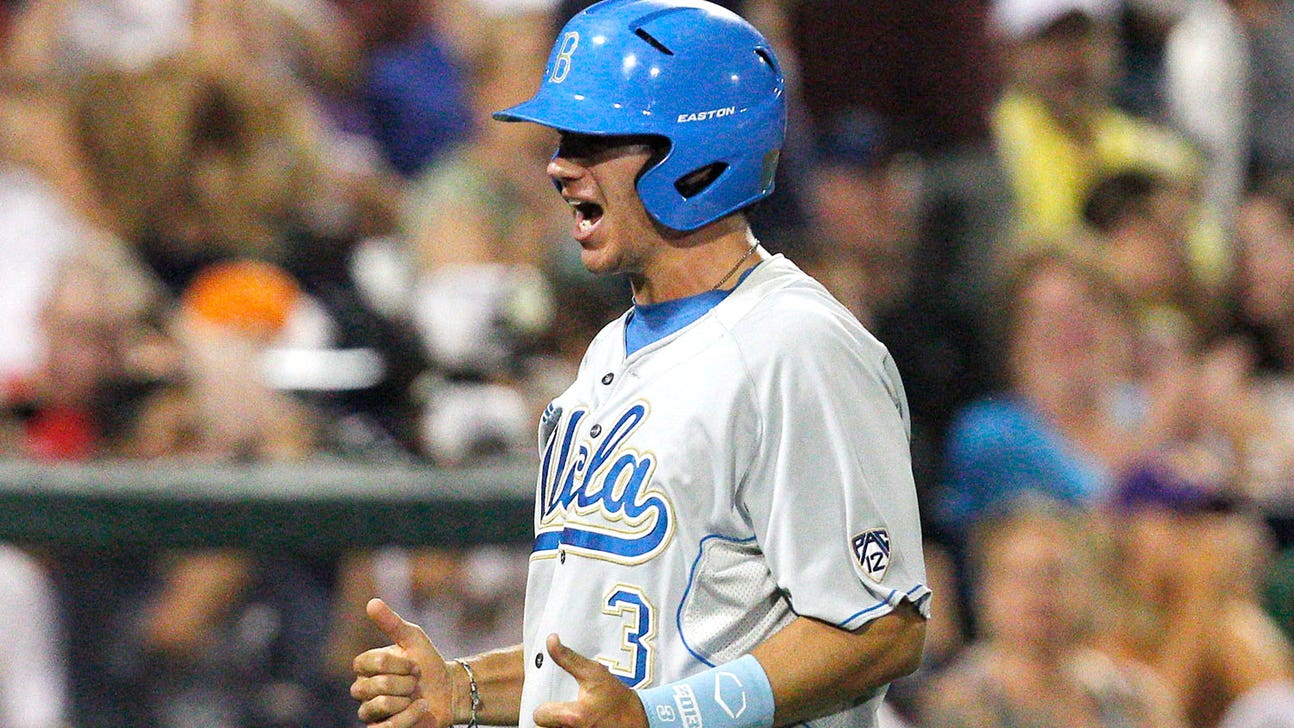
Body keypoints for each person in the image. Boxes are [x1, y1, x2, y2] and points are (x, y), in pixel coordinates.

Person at [350, 3, 930, 728]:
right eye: (564, 139)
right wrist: (465, 688)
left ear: (698, 153)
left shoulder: (797, 345)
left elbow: (881, 628)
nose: (560, 166)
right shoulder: (610, 349)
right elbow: (616, 660)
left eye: (594, 141)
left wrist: (662, 717)